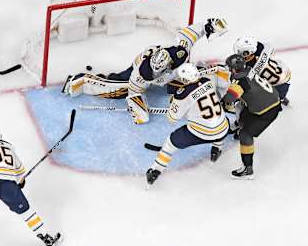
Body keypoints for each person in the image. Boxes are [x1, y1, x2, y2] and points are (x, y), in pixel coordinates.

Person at [62, 18, 228, 124]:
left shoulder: (181, 51)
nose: (157, 72)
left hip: (175, 73)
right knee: (118, 91)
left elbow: (194, 31)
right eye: (156, 70)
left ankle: (226, 85)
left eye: (160, 69)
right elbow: (134, 93)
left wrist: (211, 25)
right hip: (137, 69)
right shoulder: (142, 73)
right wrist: (139, 112)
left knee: (200, 77)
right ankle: (81, 81)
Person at [145, 63, 230, 186]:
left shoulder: (182, 93)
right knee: (218, 123)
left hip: (202, 133)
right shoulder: (207, 81)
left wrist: (174, 104)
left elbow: (172, 118)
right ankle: (217, 149)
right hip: (223, 128)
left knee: (170, 143)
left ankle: (155, 171)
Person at [223, 54, 281, 179]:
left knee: (245, 135)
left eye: (229, 67)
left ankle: (247, 169)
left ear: (234, 69)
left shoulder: (240, 81)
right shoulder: (249, 69)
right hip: (271, 99)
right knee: (241, 107)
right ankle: (240, 124)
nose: (228, 69)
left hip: (267, 110)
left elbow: (229, 99)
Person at [233, 35, 291, 105]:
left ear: (247, 53)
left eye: (240, 51)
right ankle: (281, 99)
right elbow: (268, 47)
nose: (238, 53)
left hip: (277, 86)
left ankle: (279, 100)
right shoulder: (265, 49)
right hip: (284, 73)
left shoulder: (249, 69)